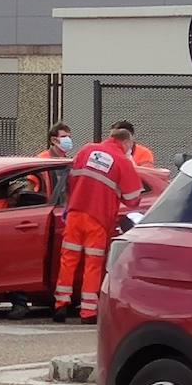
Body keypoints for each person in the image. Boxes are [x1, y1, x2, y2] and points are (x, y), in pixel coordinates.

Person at [54, 126, 142, 325]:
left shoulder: (86, 150)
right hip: (98, 218)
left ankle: (61, 304)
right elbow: (133, 199)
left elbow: (71, 179)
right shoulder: (122, 161)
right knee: (92, 264)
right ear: (126, 143)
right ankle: (88, 312)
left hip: (76, 212)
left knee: (68, 259)